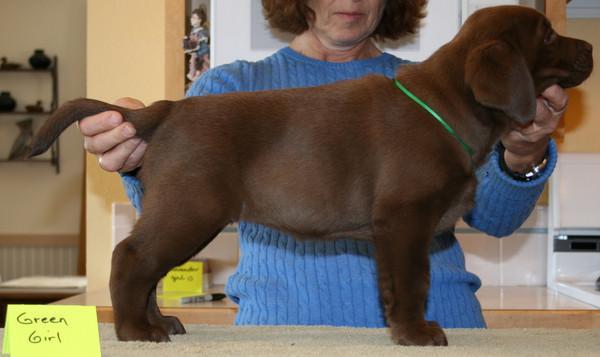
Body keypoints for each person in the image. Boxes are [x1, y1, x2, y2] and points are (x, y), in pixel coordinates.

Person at [80, 0, 567, 328]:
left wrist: (522, 151)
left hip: (441, 328)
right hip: (285, 335)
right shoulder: (229, 89)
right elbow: (171, 207)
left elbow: (495, 219)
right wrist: (133, 155)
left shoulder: (439, 91)